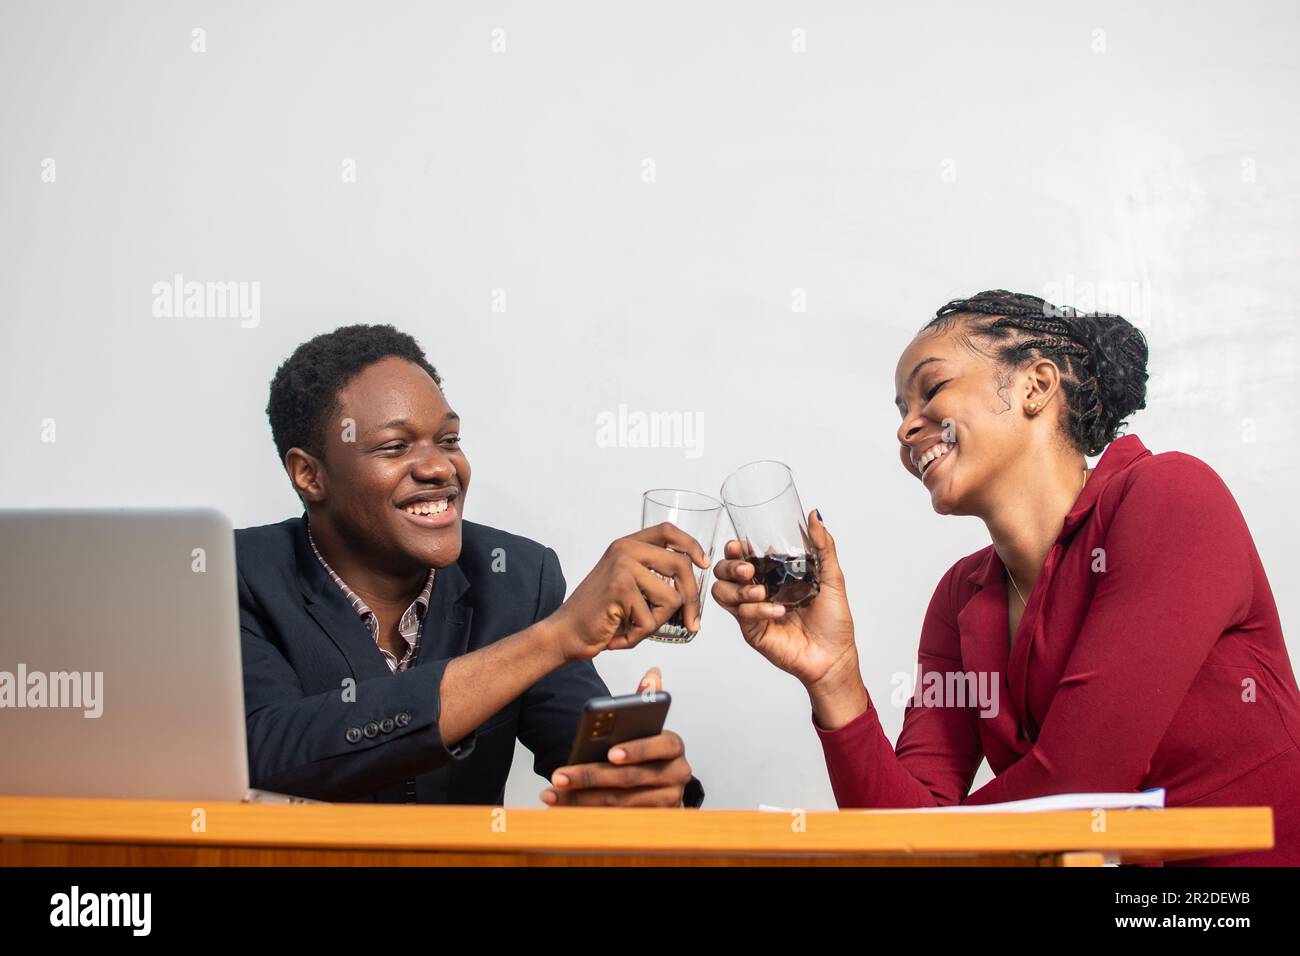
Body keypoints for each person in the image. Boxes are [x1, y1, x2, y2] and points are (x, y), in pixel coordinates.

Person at [713, 289, 1300, 864]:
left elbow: (1077, 789)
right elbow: (901, 841)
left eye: (932, 389)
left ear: (1036, 386)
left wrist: (915, 843)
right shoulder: (961, 597)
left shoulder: (1170, 497)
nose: (906, 429)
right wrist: (834, 678)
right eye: (900, 411)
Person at [237, 324, 704, 807]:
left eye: (448, 440)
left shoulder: (515, 579)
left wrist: (640, 780)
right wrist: (554, 637)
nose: (440, 467)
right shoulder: (238, 577)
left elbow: (585, 756)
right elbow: (271, 753)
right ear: (308, 474)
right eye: (395, 446)